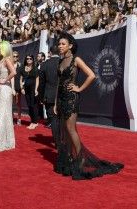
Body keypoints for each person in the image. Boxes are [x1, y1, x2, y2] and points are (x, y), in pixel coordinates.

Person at [53, 32, 123, 180]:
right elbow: (59, 84)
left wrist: (79, 88)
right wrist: (55, 103)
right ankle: (72, 157)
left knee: (71, 129)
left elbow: (91, 75)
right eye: (59, 44)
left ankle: (81, 159)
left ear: (70, 46)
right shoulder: (60, 61)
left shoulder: (76, 59)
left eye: (63, 44)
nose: (60, 46)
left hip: (71, 98)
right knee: (64, 130)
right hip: (60, 99)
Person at [39, 45, 60, 140]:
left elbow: (42, 83)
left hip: (49, 96)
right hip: (62, 95)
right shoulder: (63, 62)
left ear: (50, 53)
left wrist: (41, 97)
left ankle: (57, 141)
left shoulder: (44, 64)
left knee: (53, 119)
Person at [20, 54, 40, 129]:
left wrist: (36, 89)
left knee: (33, 105)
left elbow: (37, 79)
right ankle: (32, 121)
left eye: (30, 58)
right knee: (29, 105)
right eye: (27, 58)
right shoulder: (22, 68)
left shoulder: (35, 69)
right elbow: (20, 79)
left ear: (33, 60)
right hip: (26, 89)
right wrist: (22, 88)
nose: (29, 60)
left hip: (33, 89)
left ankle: (35, 122)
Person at [12, 51, 22, 125]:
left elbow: (23, 76)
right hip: (10, 85)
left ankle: (19, 118)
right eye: (13, 56)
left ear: (18, 57)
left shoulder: (20, 65)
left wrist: (22, 85)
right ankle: (11, 118)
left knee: (18, 103)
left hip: (18, 85)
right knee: (11, 103)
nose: (15, 57)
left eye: (16, 56)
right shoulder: (9, 64)